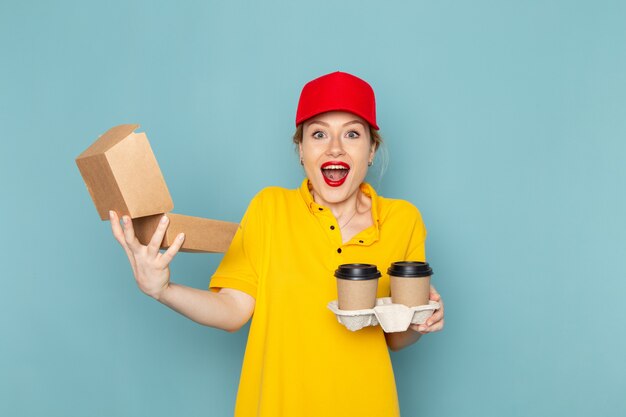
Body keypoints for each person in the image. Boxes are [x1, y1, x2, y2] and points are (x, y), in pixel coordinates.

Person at [109, 71, 445, 417]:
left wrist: (422, 322)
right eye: (318, 134)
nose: (335, 147)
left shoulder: (402, 220)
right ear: (301, 149)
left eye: (352, 133)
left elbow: (397, 338)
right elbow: (232, 310)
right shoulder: (269, 209)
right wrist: (162, 289)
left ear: (372, 149)